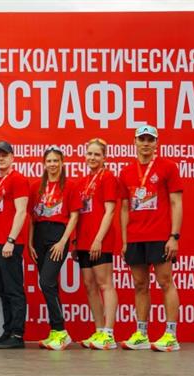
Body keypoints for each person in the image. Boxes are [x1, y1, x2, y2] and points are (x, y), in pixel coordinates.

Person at [119, 125, 183, 352]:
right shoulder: (126, 172)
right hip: (135, 237)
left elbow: (176, 203)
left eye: (150, 139)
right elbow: (124, 209)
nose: (145, 143)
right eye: (142, 139)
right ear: (135, 142)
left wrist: (174, 236)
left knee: (165, 281)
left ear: (156, 143)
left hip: (160, 236)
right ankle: (142, 334)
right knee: (140, 285)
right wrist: (125, 241)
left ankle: (171, 335)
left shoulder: (168, 167)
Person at [27, 147, 81, 350]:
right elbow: (32, 218)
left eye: (56, 161)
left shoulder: (70, 186)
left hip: (58, 236)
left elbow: (74, 216)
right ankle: (55, 332)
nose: (52, 164)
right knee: (50, 285)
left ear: (62, 163)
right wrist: (30, 242)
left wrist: (63, 241)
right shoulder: (36, 186)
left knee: (46, 282)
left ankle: (61, 330)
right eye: (49, 161)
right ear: (44, 163)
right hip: (39, 236)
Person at [75, 138, 119, 350]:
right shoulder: (83, 181)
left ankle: (109, 333)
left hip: (100, 240)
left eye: (97, 154)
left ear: (104, 157)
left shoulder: (108, 177)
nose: (92, 158)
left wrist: (98, 239)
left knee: (104, 284)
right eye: (89, 154)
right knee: (89, 285)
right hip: (84, 241)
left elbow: (110, 211)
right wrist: (76, 242)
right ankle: (99, 330)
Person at [0, 141, 29, 349]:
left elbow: (21, 211)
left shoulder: (18, 179)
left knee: (13, 289)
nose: (1, 158)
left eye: (5, 155)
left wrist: (11, 239)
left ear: (12, 157)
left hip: (10, 243)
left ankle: (18, 334)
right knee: (2, 289)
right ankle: (8, 331)